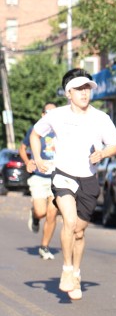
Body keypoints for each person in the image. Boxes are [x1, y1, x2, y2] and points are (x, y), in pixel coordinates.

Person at [30, 69, 116, 301]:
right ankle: (67, 269)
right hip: (63, 175)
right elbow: (35, 134)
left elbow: (114, 145)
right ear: (68, 93)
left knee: (79, 232)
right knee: (69, 221)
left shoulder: (101, 118)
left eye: (87, 88)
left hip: (88, 180)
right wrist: (37, 158)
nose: (84, 93)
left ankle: (76, 273)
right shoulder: (56, 115)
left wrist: (102, 153)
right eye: (79, 89)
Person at [19, 102, 60, 260]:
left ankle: (44, 246)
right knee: (41, 212)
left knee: (52, 213)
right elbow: (22, 148)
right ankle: (35, 215)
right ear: (43, 115)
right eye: (49, 112)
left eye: (55, 112)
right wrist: (28, 161)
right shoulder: (35, 130)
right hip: (39, 176)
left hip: (57, 177)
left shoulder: (62, 130)